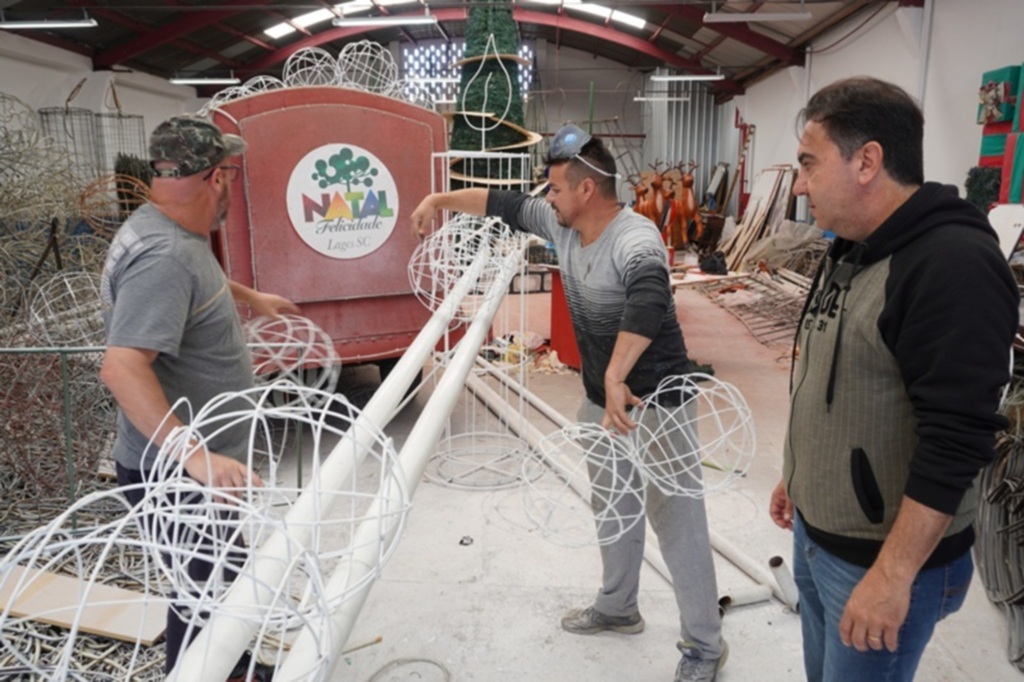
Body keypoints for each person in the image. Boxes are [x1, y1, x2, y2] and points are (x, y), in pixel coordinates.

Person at [411, 125, 727, 682]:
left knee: (677, 523)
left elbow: (650, 300)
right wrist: (438, 199)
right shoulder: (561, 224)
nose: (546, 198)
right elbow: (499, 203)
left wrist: (614, 374)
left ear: (586, 191)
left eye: (555, 189)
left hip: (659, 406)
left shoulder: (635, 238)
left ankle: (704, 644)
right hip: (600, 402)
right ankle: (618, 607)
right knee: (614, 510)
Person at [769, 76, 1019, 681]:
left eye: (808, 163)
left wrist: (892, 575)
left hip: (878, 561)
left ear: (868, 161)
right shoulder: (854, 247)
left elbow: (958, 438)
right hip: (819, 534)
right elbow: (846, 371)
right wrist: (800, 471)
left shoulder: (949, 264)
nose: (798, 185)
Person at [99, 115, 298, 679]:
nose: (231, 186)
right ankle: (204, 672)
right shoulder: (164, 258)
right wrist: (195, 456)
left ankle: (230, 668)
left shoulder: (165, 231)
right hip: (177, 472)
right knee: (203, 588)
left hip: (199, 469)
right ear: (216, 177)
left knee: (215, 581)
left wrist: (248, 296)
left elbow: (192, 281)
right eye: (230, 174)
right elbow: (121, 366)